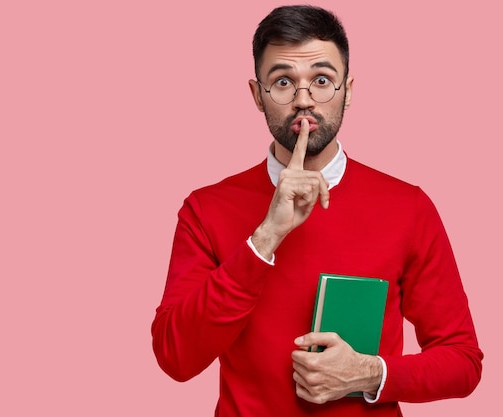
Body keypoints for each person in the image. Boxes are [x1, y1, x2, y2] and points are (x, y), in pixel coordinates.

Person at [151, 5, 483, 416]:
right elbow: (174, 358)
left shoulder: (409, 207)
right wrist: (265, 237)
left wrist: (369, 373)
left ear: (348, 90)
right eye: (284, 81)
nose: (303, 100)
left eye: (322, 80)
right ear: (258, 95)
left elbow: (463, 362)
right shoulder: (205, 209)